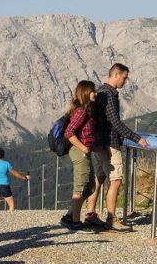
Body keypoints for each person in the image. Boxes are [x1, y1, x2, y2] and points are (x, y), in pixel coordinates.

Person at [89, 63, 149, 230]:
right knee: (116, 180)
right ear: (116, 75)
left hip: (98, 143)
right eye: (124, 77)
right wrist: (137, 138)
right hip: (110, 143)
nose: (125, 81)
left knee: (99, 178)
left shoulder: (100, 91)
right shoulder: (109, 94)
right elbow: (115, 122)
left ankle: (90, 213)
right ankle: (112, 219)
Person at [59, 80, 99, 232]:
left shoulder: (87, 110)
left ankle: (69, 216)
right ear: (86, 92)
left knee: (90, 187)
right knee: (80, 187)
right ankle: (75, 222)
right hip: (79, 152)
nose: (95, 93)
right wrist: (83, 148)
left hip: (84, 152)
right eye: (92, 91)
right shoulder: (81, 110)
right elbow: (69, 132)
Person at [0, 147, 30, 211]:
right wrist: (24, 177)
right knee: (11, 204)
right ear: (3, 154)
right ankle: (11, 218)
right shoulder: (6, 164)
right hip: (4, 185)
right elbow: (14, 173)